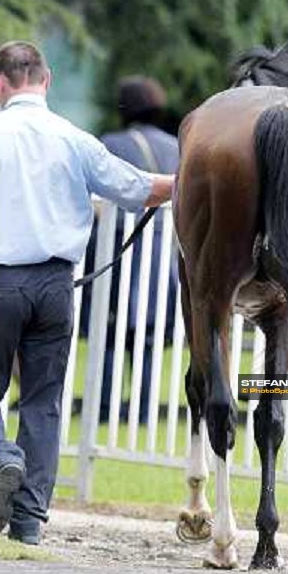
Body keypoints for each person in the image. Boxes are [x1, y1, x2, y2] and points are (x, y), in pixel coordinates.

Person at [0, 41, 174, 545]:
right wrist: (199, 179)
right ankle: (29, 521)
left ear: (0, 83)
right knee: (43, 401)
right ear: (47, 80)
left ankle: (2, 458)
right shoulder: (74, 139)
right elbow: (141, 188)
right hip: (56, 285)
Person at [80, 76, 179, 424]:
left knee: (109, 331)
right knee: (150, 338)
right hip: (162, 255)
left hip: (120, 249)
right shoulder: (175, 146)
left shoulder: (111, 143)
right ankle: (143, 406)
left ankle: (105, 405)